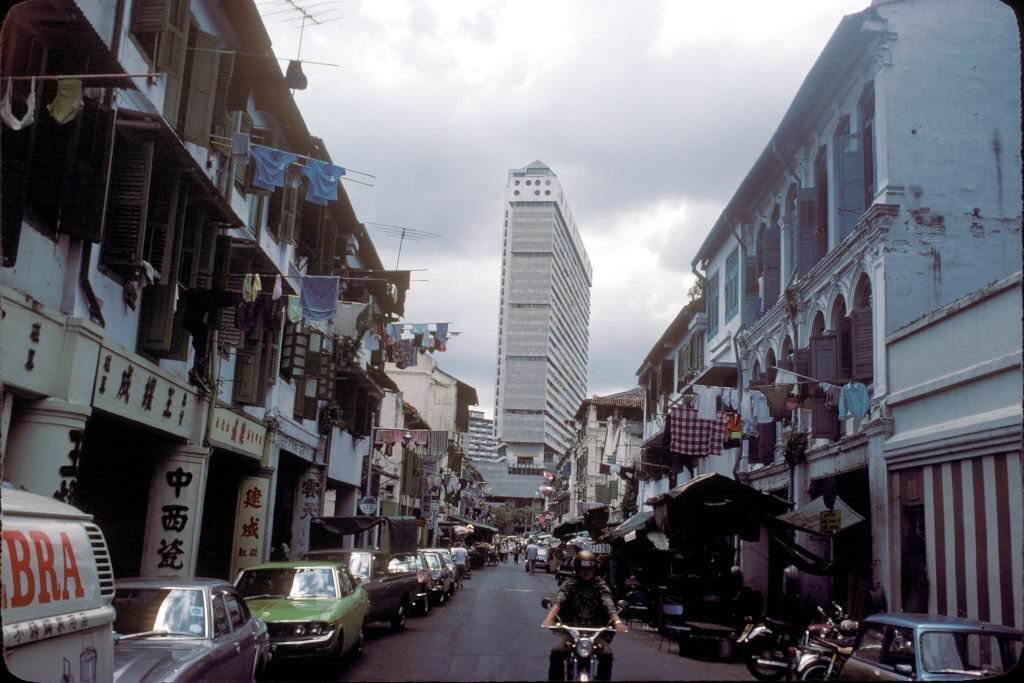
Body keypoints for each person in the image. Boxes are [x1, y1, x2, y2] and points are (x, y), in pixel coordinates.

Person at [542, 550, 626, 681]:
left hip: (595, 632)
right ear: (577, 569)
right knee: (556, 652)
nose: (586, 572)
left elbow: (608, 603)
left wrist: (617, 621)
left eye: (590, 569)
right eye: (582, 569)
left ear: (595, 569)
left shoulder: (600, 585)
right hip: (572, 631)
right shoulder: (570, 584)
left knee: (607, 654)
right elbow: (559, 600)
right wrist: (549, 618)